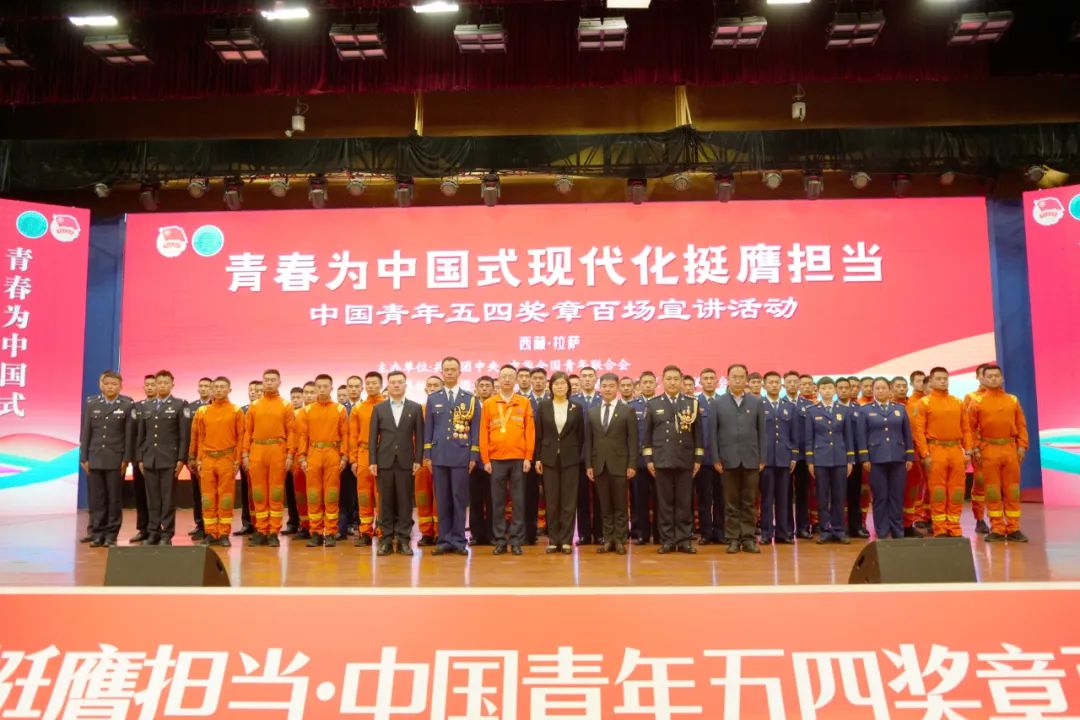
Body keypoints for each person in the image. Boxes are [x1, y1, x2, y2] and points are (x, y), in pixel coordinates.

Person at [643, 365, 704, 554]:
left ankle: (684, 540)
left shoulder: (691, 403)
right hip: (662, 460)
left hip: (685, 460)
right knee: (665, 503)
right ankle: (668, 540)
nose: (672, 382)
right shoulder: (654, 404)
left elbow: (698, 435)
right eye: (668, 379)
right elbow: (647, 435)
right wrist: (649, 459)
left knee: (684, 502)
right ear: (662, 381)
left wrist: (698, 459)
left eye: (676, 379)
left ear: (681, 381)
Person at [424, 357, 480, 556]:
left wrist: (473, 455)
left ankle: (458, 540)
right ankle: (444, 539)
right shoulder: (434, 398)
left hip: (461, 454)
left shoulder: (469, 398)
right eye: (446, 369)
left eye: (453, 369)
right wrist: (427, 454)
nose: (449, 373)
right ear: (441, 372)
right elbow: (429, 429)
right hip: (439, 455)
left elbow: (475, 430)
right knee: (442, 499)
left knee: (459, 498)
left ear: (459, 372)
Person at [968, 365, 1030, 543]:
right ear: (983, 379)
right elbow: (970, 428)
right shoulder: (977, 402)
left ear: (1002, 378)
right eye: (990, 376)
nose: (994, 379)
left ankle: (1014, 528)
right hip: (989, 450)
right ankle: (997, 528)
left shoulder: (1012, 400)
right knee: (992, 490)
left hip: (1010, 449)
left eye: (997, 376)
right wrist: (976, 448)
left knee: (1012, 490)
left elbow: (1021, 426)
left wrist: (1022, 446)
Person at [711, 364, 767, 554]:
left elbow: (762, 433)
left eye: (741, 377)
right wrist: (716, 458)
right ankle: (733, 539)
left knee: (749, 502)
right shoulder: (717, 403)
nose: (738, 380)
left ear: (746, 380)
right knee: (731, 503)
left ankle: (749, 539)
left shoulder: (756, 402)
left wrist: (763, 457)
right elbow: (713, 434)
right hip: (727, 460)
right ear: (727, 379)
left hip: (751, 459)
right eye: (734, 376)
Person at [912, 367, 973, 538]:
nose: (943, 381)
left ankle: (954, 526)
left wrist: (968, 451)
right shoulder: (924, 403)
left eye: (945, 378)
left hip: (955, 451)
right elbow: (918, 431)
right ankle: (939, 527)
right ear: (931, 381)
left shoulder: (957, 402)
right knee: (938, 491)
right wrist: (925, 454)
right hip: (935, 450)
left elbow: (966, 429)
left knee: (957, 491)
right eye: (938, 379)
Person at [481, 364, 535, 556]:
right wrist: (485, 459)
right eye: (503, 375)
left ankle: (516, 540)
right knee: (497, 502)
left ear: (516, 380)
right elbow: (483, 432)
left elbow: (530, 431)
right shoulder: (489, 403)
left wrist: (528, 457)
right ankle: (500, 540)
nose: (507, 379)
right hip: (496, 459)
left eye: (511, 376)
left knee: (518, 502)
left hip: (519, 459)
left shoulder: (524, 402)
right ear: (498, 378)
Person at [368, 371, 424, 556]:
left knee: (405, 503)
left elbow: (420, 437)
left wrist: (418, 459)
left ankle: (403, 540)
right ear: (388, 385)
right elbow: (372, 437)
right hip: (384, 462)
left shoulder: (415, 408)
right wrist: (373, 461)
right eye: (393, 382)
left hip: (406, 462)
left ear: (406, 385)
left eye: (400, 382)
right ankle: (385, 540)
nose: (396, 385)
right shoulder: (379, 408)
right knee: (385, 502)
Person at [584, 372, 638, 555]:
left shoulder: (627, 410)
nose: (607, 389)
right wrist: (589, 465)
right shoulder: (592, 412)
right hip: (599, 465)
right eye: (604, 386)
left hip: (620, 465)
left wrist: (632, 464)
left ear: (617, 388)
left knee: (621, 505)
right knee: (605, 506)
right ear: (600, 388)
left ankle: (620, 540)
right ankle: (608, 540)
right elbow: (589, 441)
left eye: (611, 386)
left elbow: (633, 440)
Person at [132, 370, 188, 546]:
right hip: (149, 458)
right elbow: (141, 435)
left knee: (168, 499)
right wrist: (140, 458)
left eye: (166, 383)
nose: (162, 385)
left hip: (169, 459)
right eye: (159, 383)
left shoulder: (180, 405)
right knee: (152, 499)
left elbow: (183, 436)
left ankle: (167, 533)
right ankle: (153, 532)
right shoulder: (145, 407)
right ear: (155, 385)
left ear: (172, 385)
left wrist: (181, 459)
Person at [79, 371, 134, 548]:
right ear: (101, 385)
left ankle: (111, 534)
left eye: (114, 384)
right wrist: (83, 457)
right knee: (97, 499)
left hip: (116, 458)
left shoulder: (127, 404)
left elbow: (128, 435)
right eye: (107, 384)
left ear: (120, 386)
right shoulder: (92, 403)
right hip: (94, 456)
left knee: (114, 499)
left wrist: (126, 459)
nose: (110, 387)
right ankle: (97, 533)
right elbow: (86, 432)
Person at [242, 369, 296, 548]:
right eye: (267, 380)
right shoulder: (254, 405)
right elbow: (247, 431)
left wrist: (290, 454)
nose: (270, 383)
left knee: (276, 493)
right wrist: (245, 453)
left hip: (277, 450)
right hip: (257, 450)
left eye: (273, 380)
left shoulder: (286, 405)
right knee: (258, 493)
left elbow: (291, 431)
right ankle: (261, 530)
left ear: (279, 382)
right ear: (262, 382)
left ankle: (273, 531)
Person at [856, 378, 914, 540]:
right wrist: (864, 458)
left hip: (898, 457)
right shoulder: (865, 410)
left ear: (890, 390)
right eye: (877, 388)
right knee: (880, 496)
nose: (880, 391)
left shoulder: (900, 409)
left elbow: (907, 434)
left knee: (897, 496)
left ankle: (897, 530)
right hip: (876, 458)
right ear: (873, 391)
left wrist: (909, 455)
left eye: (883, 388)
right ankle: (882, 530)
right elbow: (861, 436)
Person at [534, 371, 585, 554]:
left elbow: (580, 435)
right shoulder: (543, 406)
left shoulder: (576, 408)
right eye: (556, 384)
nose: (559, 387)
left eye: (563, 384)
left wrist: (576, 454)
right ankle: (553, 540)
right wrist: (538, 458)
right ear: (551, 387)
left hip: (570, 459)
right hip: (548, 459)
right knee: (552, 501)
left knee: (569, 501)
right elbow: (538, 434)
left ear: (568, 387)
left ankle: (566, 540)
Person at [189, 377, 244, 546]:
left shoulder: (236, 411)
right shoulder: (202, 411)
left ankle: (224, 533)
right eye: (216, 387)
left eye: (222, 387)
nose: (219, 390)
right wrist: (197, 459)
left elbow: (240, 437)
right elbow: (199, 437)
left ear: (229, 390)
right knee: (207, 498)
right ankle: (211, 533)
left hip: (227, 459)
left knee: (226, 498)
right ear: (212, 390)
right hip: (207, 459)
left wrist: (237, 460)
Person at [297, 375, 349, 548]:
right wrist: (302, 457)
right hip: (313, 453)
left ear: (331, 388)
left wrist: (344, 456)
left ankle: (331, 532)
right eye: (319, 386)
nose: (322, 389)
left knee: (331, 495)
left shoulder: (340, 409)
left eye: (325, 386)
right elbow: (302, 436)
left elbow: (345, 435)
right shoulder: (306, 410)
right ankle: (316, 533)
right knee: (313, 495)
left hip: (333, 454)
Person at [805, 377, 855, 544]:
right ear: (818, 390)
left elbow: (848, 436)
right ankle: (825, 530)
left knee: (839, 496)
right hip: (820, 459)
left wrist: (850, 460)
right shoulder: (812, 410)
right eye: (824, 388)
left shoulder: (844, 410)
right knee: (822, 496)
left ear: (834, 390)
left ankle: (839, 530)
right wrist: (810, 461)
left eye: (830, 388)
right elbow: (809, 439)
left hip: (840, 458)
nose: (827, 391)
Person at [760, 372, 798, 545]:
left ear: (781, 385)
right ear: (764, 385)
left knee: (784, 498)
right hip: (766, 460)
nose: (774, 385)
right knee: (766, 498)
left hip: (784, 458)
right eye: (771, 382)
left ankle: (783, 533)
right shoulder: (759, 405)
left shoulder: (789, 406)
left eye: (777, 382)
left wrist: (794, 456)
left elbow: (794, 434)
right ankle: (766, 533)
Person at [347, 372, 385, 546]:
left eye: (374, 383)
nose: (371, 386)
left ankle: (383, 531)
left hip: (383, 455)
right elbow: (353, 436)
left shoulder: (387, 406)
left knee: (381, 495)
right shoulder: (358, 409)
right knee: (363, 495)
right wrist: (353, 460)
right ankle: (365, 531)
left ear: (381, 385)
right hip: (363, 455)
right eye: (368, 383)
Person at [571, 366, 603, 545]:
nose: (588, 379)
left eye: (591, 376)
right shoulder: (572, 401)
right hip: (578, 456)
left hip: (600, 455)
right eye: (584, 376)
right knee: (581, 497)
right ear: (580, 379)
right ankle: (584, 534)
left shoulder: (602, 399)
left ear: (596, 379)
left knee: (600, 497)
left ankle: (600, 533)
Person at [629, 370, 658, 544]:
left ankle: (660, 534)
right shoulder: (631, 406)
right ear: (639, 385)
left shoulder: (661, 403)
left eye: (650, 382)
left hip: (659, 460)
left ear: (656, 384)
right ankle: (642, 534)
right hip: (639, 461)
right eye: (644, 382)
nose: (647, 385)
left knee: (660, 499)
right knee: (640, 499)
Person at [695, 368, 723, 545]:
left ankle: (720, 532)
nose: (709, 381)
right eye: (705, 378)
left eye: (712, 378)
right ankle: (706, 533)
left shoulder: (724, 402)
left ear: (717, 381)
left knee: (721, 498)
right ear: (700, 382)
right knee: (704, 499)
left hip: (721, 460)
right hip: (703, 460)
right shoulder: (694, 403)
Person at [128, 373, 156, 543]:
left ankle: (156, 528)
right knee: (140, 495)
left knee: (157, 496)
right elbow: (131, 434)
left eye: (153, 384)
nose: (150, 387)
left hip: (158, 459)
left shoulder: (164, 407)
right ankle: (143, 529)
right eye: (147, 385)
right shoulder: (136, 407)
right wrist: (136, 459)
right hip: (139, 459)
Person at [184, 377, 213, 541]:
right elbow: (188, 434)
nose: (203, 389)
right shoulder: (191, 408)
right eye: (201, 386)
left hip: (211, 457)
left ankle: (210, 526)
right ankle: (200, 524)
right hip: (195, 457)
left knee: (209, 493)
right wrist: (190, 457)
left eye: (207, 386)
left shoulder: (216, 406)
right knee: (196, 492)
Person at [964, 365, 991, 535]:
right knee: (980, 482)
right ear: (978, 377)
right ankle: (980, 519)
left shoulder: (1004, 398)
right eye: (985, 375)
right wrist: (974, 448)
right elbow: (968, 426)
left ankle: (998, 520)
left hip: (999, 448)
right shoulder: (971, 397)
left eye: (992, 375)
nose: (989, 378)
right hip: (980, 448)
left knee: (997, 485)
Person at [233, 379, 262, 538]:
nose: (254, 393)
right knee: (245, 490)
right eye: (251, 390)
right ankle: (247, 523)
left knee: (259, 491)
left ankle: (261, 524)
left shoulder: (265, 410)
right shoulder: (242, 411)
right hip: (245, 456)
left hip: (261, 455)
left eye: (258, 390)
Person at [469, 375, 495, 545]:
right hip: (473, 460)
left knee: (493, 499)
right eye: (482, 385)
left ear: (493, 388)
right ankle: (477, 535)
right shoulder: (470, 405)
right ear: (476, 388)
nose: (484, 388)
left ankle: (492, 534)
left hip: (493, 459)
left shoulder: (496, 405)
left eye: (487, 385)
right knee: (475, 499)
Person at [525, 367, 549, 545]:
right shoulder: (523, 401)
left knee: (552, 496)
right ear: (530, 381)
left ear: (546, 381)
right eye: (535, 379)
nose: (538, 381)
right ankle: (529, 533)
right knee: (529, 495)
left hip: (550, 454)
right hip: (530, 455)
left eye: (541, 378)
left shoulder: (553, 400)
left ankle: (553, 532)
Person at [793, 373, 819, 539]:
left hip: (803, 456)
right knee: (784, 495)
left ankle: (803, 527)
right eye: (803, 384)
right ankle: (785, 528)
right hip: (785, 455)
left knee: (803, 493)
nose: (806, 387)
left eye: (810, 384)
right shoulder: (783, 403)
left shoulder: (810, 406)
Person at [906, 370, 931, 534]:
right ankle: (917, 516)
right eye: (918, 381)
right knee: (917, 484)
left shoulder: (931, 401)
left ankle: (929, 515)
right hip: (915, 449)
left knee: (931, 484)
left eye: (924, 381)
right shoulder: (909, 403)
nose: (921, 384)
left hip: (932, 448)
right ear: (912, 383)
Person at [283, 386, 306, 536]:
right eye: (293, 398)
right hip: (288, 458)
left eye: (298, 397)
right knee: (290, 492)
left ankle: (306, 524)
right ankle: (292, 522)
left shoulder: (306, 413)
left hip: (302, 457)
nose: (296, 400)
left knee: (303, 494)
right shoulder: (287, 414)